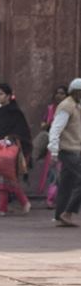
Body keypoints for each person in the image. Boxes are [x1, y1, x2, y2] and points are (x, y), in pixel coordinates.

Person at [0, 84, 32, 217]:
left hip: (12, 148)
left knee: (8, 178)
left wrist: (11, 139)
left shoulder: (15, 112)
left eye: (2, 94)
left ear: (9, 96)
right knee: (3, 178)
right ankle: (4, 207)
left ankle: (22, 202)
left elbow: (23, 131)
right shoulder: (0, 111)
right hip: (2, 147)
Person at [48, 77, 81, 227]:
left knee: (66, 184)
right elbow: (56, 129)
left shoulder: (75, 105)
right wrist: (54, 150)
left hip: (74, 149)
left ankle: (59, 216)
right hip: (68, 150)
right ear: (76, 92)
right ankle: (68, 212)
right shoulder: (66, 106)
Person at [36, 84, 68, 209]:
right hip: (53, 144)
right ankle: (51, 199)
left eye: (62, 93)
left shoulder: (69, 109)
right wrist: (49, 124)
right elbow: (43, 124)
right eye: (58, 93)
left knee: (65, 173)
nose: (59, 95)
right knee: (54, 173)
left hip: (66, 144)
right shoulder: (51, 109)